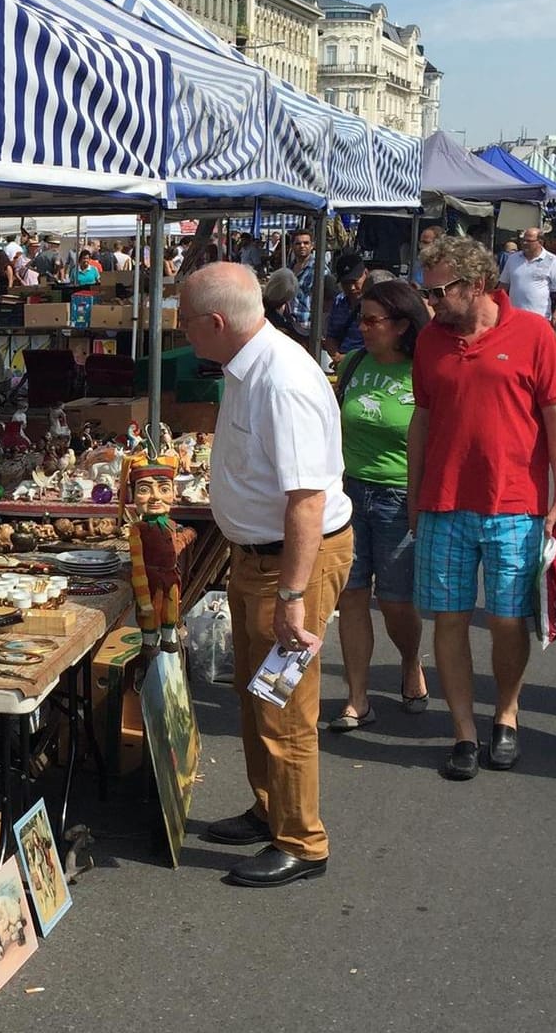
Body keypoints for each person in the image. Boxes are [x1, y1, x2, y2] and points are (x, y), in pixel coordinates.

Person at [181, 263, 351, 888]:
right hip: (262, 556)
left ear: (218, 322)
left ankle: (302, 841)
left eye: (187, 322)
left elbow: (307, 499)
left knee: (284, 704)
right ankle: (270, 808)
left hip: (289, 560)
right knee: (258, 695)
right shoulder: (251, 369)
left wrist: (292, 596)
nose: (183, 333)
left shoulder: (279, 379)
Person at [411, 237, 556, 780]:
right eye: (425, 291)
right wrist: (416, 495)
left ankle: (506, 712)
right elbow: (423, 421)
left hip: (514, 505)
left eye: (437, 292)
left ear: (476, 285)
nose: (429, 303)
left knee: (508, 621)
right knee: (450, 620)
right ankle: (463, 730)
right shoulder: (430, 341)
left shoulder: (532, 333)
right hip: (444, 503)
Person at [328, 280, 430, 731]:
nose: (363, 328)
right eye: (361, 319)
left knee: (394, 602)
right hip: (348, 493)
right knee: (350, 596)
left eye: (373, 320)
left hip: (400, 498)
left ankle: (410, 661)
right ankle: (357, 698)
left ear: (402, 324)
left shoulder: (425, 370)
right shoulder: (353, 365)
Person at [497, 227, 556, 319]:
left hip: (540, 317)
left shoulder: (551, 260)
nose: (524, 243)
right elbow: (503, 286)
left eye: (529, 241)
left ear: (540, 242)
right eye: (523, 240)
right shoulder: (513, 259)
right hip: (514, 316)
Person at [321, 255, 369, 357]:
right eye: (346, 283)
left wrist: (349, 359)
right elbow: (331, 336)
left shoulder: (375, 304)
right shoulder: (338, 302)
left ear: (365, 273)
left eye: (354, 281)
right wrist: (337, 356)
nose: (351, 288)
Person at [285, 229, 321, 339]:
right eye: (298, 243)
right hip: (290, 324)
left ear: (312, 246)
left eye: (306, 243)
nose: (302, 246)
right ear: (292, 246)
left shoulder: (319, 269)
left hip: (307, 327)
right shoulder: (289, 268)